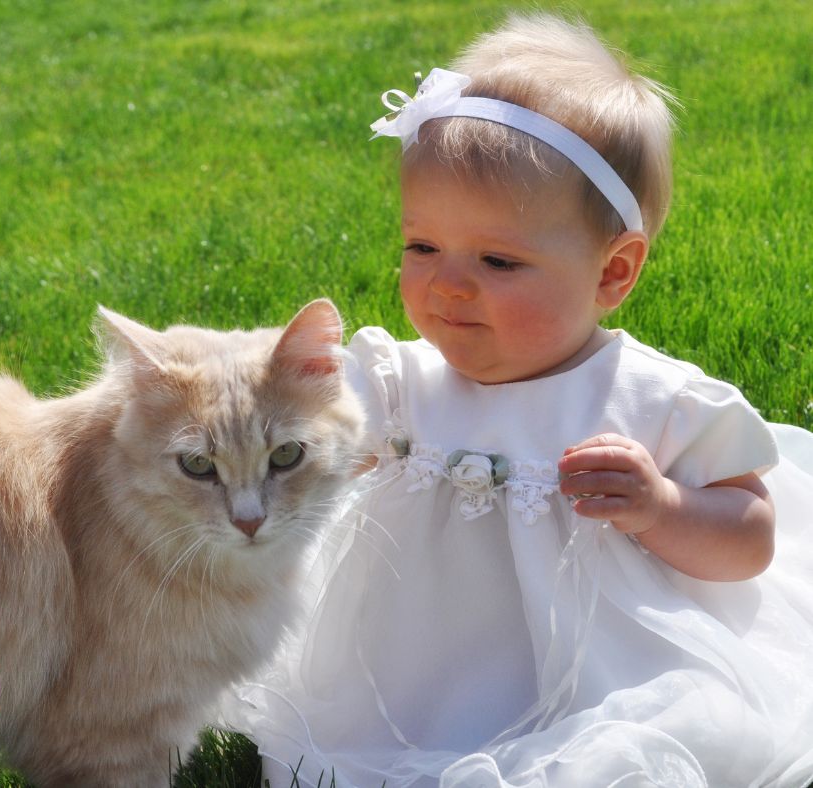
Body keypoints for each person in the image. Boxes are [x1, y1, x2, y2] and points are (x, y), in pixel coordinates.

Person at [221, 13, 813, 787]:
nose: (448, 283)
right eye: (421, 246)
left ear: (613, 273)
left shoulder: (650, 400)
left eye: (498, 259)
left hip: (595, 669)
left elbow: (750, 539)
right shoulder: (398, 381)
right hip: (402, 661)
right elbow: (298, 418)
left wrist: (662, 507)